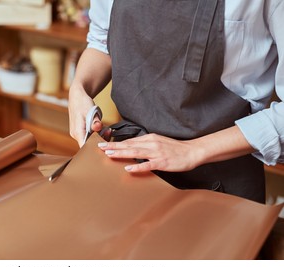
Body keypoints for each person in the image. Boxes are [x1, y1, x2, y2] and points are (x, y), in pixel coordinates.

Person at [68, 0, 284, 203]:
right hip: (131, 170)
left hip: (221, 183)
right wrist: (79, 88)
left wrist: (193, 150)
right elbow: (102, 41)